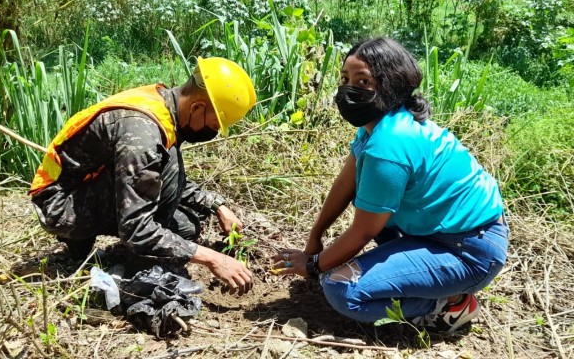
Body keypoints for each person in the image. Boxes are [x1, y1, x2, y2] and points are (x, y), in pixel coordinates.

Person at [273, 37, 509, 333]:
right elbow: (345, 183)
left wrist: (313, 265)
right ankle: (422, 277)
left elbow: (363, 231)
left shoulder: (389, 145)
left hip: (469, 250)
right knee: (368, 195)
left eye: (363, 81)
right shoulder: (377, 125)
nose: (348, 88)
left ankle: (449, 302)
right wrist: (315, 237)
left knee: (341, 290)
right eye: (345, 78)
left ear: (389, 85)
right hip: (442, 231)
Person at [30, 57, 256, 295]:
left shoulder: (162, 103)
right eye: (213, 124)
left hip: (83, 187)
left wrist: (216, 205)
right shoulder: (143, 134)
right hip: (59, 207)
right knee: (166, 180)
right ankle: (135, 269)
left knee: (185, 226)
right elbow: (136, 227)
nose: (214, 132)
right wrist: (214, 259)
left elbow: (154, 174)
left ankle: (105, 247)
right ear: (197, 108)